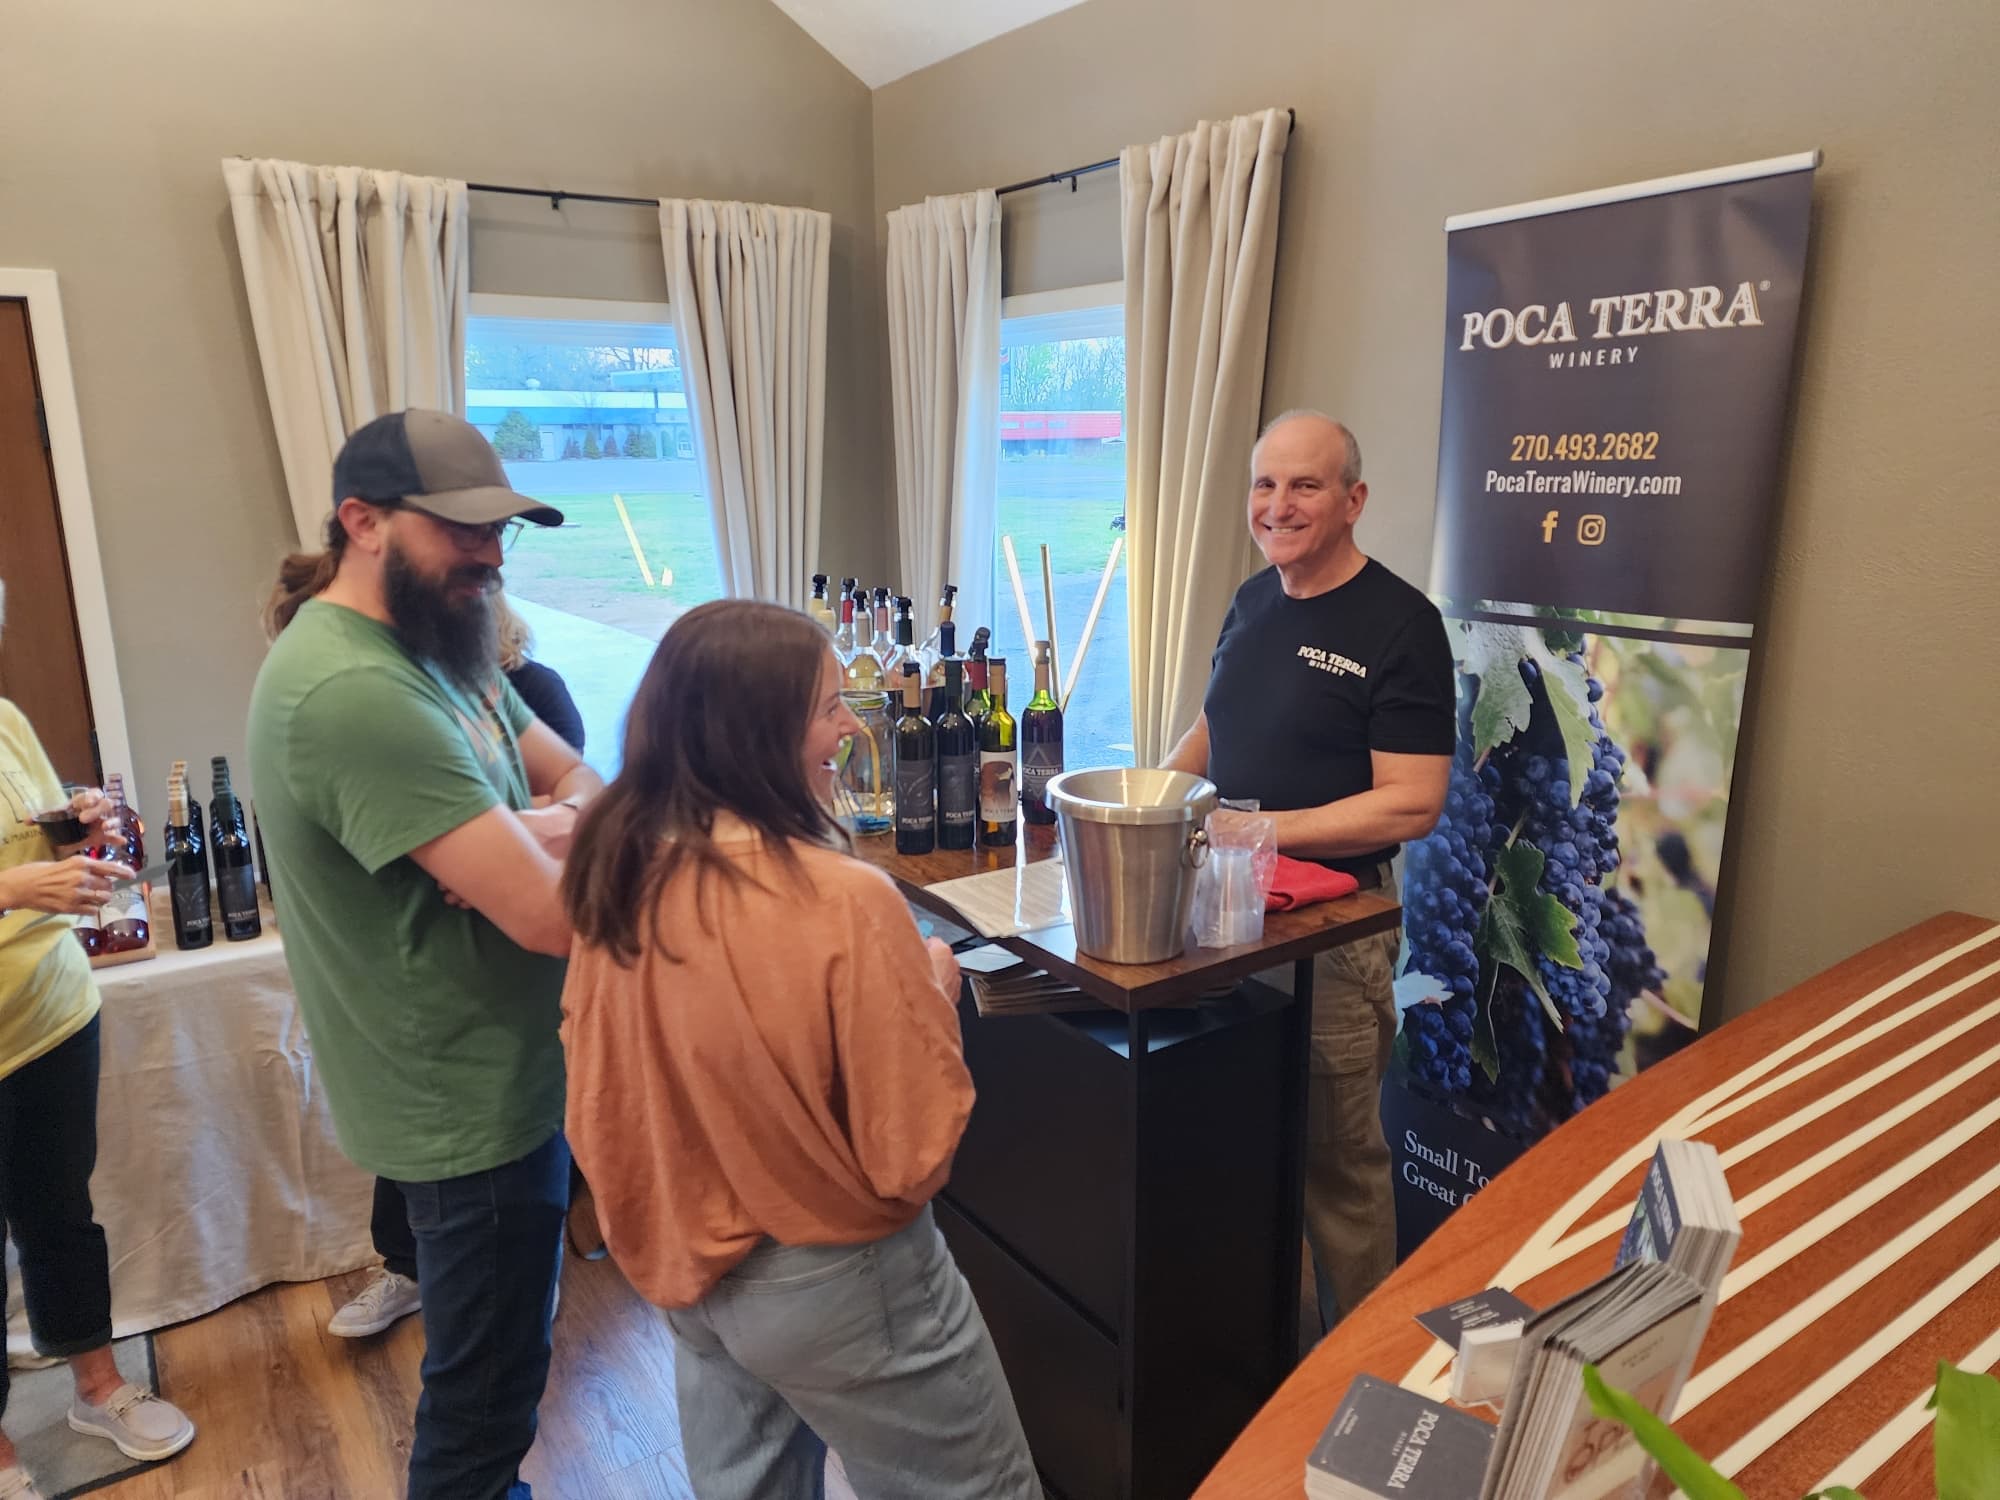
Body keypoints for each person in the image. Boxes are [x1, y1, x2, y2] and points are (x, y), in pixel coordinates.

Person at [560, 600, 1040, 1500]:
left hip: (688, 1268)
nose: (852, 725)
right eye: (829, 706)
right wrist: (932, 998)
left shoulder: (614, 875)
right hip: (839, 1280)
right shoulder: (842, 898)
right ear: (763, 731)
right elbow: (910, 1152)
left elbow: (600, 1093)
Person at [247, 409, 603, 1500]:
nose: (491, 555)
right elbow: (552, 920)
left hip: (498, 1071)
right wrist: (545, 843)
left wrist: (537, 834)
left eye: (501, 531)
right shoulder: (357, 692)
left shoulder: (441, 641)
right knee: (485, 1400)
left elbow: (578, 778)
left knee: (498, 1374)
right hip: (464, 1103)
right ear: (363, 522)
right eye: (462, 530)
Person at [1163, 411, 1453, 1330]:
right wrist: (1148, 804)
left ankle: (1363, 1367)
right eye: (1264, 484)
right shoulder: (1253, 601)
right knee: (1240, 1142)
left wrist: (1265, 832)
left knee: (1338, 1171)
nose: (1277, 506)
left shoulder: (1403, 624)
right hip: (1219, 911)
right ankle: (1261, 1364)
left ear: (1353, 500)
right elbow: (1215, 729)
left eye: (1305, 486)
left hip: (1335, 930)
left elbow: (1412, 801)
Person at [330, 592, 592, 1342]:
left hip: (516, 938)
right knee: (422, 1138)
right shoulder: (406, 706)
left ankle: (532, 1271)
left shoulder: (528, 692)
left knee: (525, 1127)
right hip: (440, 955)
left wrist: (513, 831)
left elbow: (571, 793)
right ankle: (406, 1268)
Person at [0, 582, 196, 1500]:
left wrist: (82, 826)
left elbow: (35, 840)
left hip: (49, 1016)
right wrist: (8, 892)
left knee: (60, 1216)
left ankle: (96, 1385)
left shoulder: (4, 717)